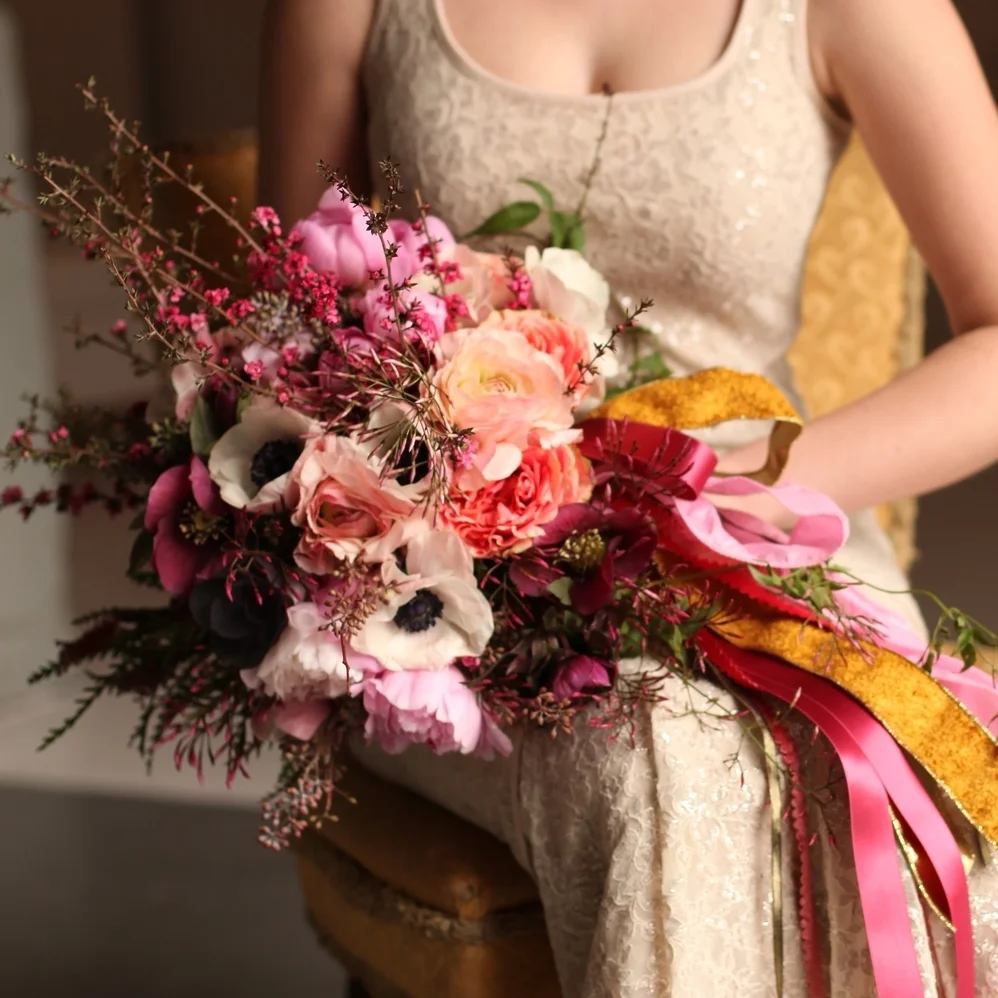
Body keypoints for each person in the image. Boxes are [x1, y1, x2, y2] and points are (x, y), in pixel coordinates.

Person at [258, 1, 998, 993]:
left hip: (760, 542)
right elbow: (278, 330)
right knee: (665, 758)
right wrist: (437, 489)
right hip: (455, 598)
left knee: (841, 756)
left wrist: (731, 494)